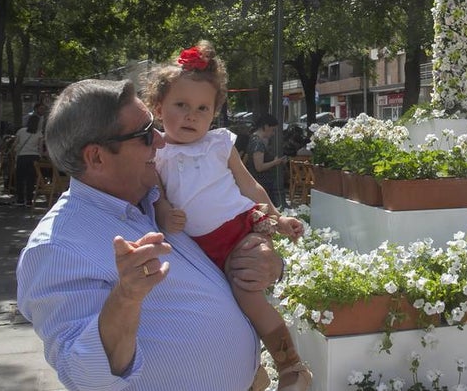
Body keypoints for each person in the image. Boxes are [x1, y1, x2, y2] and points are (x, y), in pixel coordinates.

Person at [16, 78, 284, 391]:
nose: (160, 140)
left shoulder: (163, 195)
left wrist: (271, 262)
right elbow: (85, 376)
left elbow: (239, 244)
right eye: (145, 135)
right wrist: (126, 298)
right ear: (96, 158)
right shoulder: (56, 248)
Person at [145, 42, 311, 391]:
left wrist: (277, 219)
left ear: (215, 111)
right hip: (201, 251)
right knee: (222, 314)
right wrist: (163, 213)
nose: (192, 115)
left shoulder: (219, 144)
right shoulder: (156, 153)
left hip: (240, 231)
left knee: (248, 292)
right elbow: (155, 192)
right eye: (181, 105)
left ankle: (292, 367)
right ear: (158, 107)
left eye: (203, 108)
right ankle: (251, 373)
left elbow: (249, 187)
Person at [247, 114, 288, 206]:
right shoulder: (258, 143)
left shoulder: (254, 139)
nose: (273, 133)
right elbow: (259, 167)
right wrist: (275, 162)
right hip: (262, 182)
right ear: (265, 127)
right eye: (273, 130)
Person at [13, 114, 45, 207]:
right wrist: (41, 156)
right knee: (31, 179)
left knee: (20, 179)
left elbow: (15, 144)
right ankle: (29, 201)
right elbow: (40, 149)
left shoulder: (21, 131)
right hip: (34, 158)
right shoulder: (39, 133)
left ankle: (20, 199)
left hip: (22, 156)